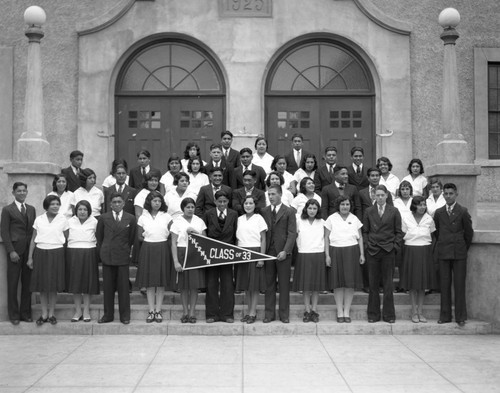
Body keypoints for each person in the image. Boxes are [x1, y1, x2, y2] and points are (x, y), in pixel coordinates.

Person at [434, 183, 473, 327]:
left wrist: (462, 247)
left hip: (459, 253)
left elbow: (468, 234)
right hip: (444, 252)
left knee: (459, 285)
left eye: (451, 193)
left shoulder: (463, 211)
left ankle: (460, 316)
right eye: (446, 193)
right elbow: (437, 232)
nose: (448, 196)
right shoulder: (439, 212)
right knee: (444, 285)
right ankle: (445, 316)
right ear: (443, 195)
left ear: (456, 194)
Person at [362, 185, 403, 323]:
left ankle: (389, 315)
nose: (379, 197)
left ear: (386, 195)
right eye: (377, 195)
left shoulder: (394, 211)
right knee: (373, 284)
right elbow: (365, 231)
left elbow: (398, 232)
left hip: (388, 251)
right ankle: (373, 315)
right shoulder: (368, 211)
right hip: (373, 251)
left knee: (388, 284)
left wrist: (394, 246)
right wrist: (368, 245)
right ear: (373, 195)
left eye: (382, 195)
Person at [27, 195, 69, 326]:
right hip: (40, 252)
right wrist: (30, 257)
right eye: (52, 204)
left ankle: (52, 314)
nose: (55, 206)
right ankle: (44, 314)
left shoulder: (63, 219)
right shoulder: (39, 219)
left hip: (57, 252)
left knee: (53, 285)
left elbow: (67, 239)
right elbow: (34, 239)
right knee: (42, 285)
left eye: (57, 204)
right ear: (46, 206)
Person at [96, 193, 137, 324]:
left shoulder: (130, 218)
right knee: (107, 288)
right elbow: (100, 237)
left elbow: (131, 238)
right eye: (114, 202)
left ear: (124, 203)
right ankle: (108, 315)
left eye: (119, 202)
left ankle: (125, 316)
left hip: (122, 256)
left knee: (123, 288)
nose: (117, 204)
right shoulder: (103, 218)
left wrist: (125, 249)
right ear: (110, 204)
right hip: (108, 256)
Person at [324, 196, 365, 323]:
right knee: (338, 283)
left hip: (352, 251)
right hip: (335, 250)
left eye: (347, 204)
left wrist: (362, 254)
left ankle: (346, 311)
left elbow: (360, 238)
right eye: (342, 204)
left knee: (349, 283)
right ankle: (339, 311)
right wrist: (327, 255)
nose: (345, 206)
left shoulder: (355, 218)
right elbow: (326, 238)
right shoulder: (331, 218)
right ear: (338, 205)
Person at [135, 191, 174, 323]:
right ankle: (151, 310)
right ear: (149, 202)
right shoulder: (143, 217)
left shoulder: (167, 217)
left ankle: (158, 310)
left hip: (162, 248)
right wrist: (148, 236)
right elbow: (139, 236)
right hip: (148, 248)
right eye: (154, 201)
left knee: (161, 282)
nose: (157, 203)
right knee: (150, 283)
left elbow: (171, 235)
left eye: (159, 201)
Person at [1, 182, 36, 325]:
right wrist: (11, 251)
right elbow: (4, 231)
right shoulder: (8, 209)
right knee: (13, 284)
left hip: (29, 251)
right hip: (15, 251)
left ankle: (25, 314)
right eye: (19, 191)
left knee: (28, 284)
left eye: (24, 190)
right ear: (13, 192)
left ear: (27, 192)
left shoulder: (32, 209)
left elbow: (33, 230)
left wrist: (32, 253)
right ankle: (14, 315)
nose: (22, 193)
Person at [261, 185, 297, 323]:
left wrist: (286, 251)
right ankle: (269, 314)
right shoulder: (264, 211)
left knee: (284, 285)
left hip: (283, 253)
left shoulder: (289, 211)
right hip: (269, 253)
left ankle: (284, 315)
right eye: (269, 194)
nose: (271, 197)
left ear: (280, 194)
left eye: (273, 194)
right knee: (269, 285)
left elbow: (292, 233)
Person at [203, 190, 238, 323]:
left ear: (228, 202)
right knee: (211, 283)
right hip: (212, 254)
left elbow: (235, 233)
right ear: (215, 201)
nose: (222, 204)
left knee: (227, 284)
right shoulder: (208, 214)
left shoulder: (234, 214)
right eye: (219, 201)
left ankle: (227, 314)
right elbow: (204, 231)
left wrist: (234, 252)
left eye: (224, 201)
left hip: (228, 254)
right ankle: (211, 314)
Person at [400, 196, 437, 323]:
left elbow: (432, 235)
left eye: (424, 205)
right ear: (414, 206)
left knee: (422, 284)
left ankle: (420, 311)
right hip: (411, 250)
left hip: (425, 250)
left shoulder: (429, 219)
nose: (422, 207)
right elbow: (403, 234)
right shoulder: (406, 218)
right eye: (420, 205)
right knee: (412, 284)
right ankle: (413, 311)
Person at [171, 197, 207, 324]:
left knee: (194, 286)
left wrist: (194, 232)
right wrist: (176, 261)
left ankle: (192, 312)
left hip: (195, 253)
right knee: (184, 286)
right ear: (183, 208)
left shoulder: (199, 221)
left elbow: (204, 240)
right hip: (182, 253)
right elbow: (173, 243)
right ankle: (185, 312)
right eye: (188, 207)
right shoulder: (177, 222)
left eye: (192, 207)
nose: (190, 209)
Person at [293, 199, 327, 323]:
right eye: (310, 208)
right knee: (306, 286)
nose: (312, 211)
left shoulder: (322, 222)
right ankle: (307, 310)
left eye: (314, 208)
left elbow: (326, 238)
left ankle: (314, 310)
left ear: (318, 210)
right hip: (304, 254)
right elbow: (294, 236)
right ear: (306, 209)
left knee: (316, 286)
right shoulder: (299, 221)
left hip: (318, 254)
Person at [235, 195, 267, 324]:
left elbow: (263, 239)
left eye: (251, 203)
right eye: (246, 203)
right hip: (242, 253)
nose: (248, 205)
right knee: (246, 286)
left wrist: (261, 258)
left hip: (255, 252)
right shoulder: (239, 219)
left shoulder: (259, 219)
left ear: (255, 205)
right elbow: (237, 238)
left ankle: (253, 312)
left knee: (254, 286)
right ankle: (248, 312)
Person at [66, 200, 99, 322]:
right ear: (76, 211)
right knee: (75, 283)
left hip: (89, 252)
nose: (82, 212)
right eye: (80, 209)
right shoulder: (69, 221)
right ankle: (78, 310)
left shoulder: (94, 221)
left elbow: (98, 236)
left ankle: (86, 310)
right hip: (73, 252)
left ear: (89, 211)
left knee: (87, 283)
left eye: (85, 209)